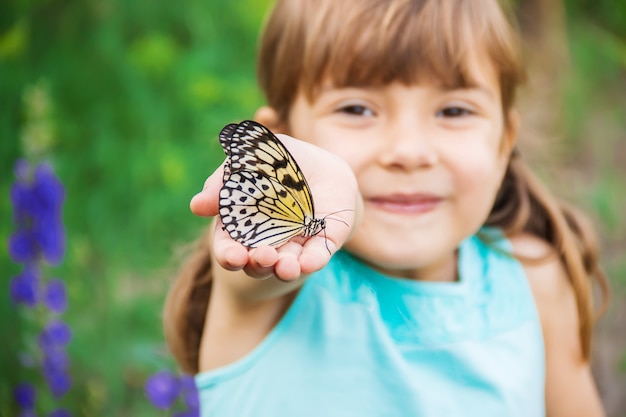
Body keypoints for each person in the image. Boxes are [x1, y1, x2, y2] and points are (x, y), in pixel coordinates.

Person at [163, 0, 609, 415]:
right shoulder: (272, 284)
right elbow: (319, 226)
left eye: (454, 111)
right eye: (357, 109)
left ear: (503, 143)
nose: (409, 151)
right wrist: (342, 199)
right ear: (284, 139)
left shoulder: (536, 281)